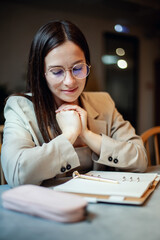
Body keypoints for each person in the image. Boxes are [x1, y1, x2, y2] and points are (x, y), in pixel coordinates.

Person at [1, 20, 147, 187]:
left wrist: (86, 134)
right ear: (41, 73)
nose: (70, 81)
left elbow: (140, 159)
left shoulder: (103, 102)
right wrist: (69, 135)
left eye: (78, 68)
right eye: (57, 72)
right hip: (52, 208)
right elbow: (16, 175)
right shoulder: (20, 107)